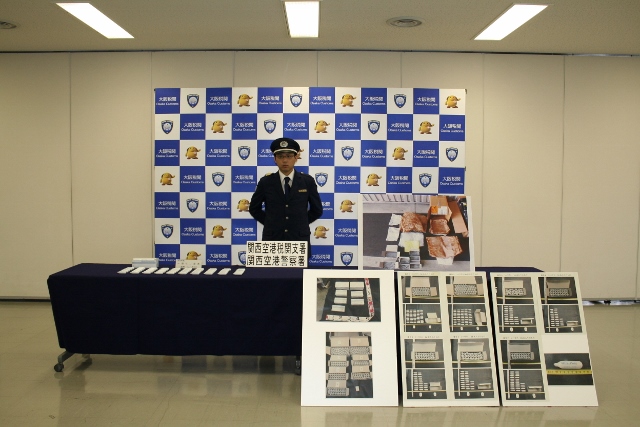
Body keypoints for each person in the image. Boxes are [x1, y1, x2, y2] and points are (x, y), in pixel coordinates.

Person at [249, 137, 323, 252]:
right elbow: (254, 208)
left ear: (296, 158)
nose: (284, 160)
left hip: (299, 240)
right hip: (273, 239)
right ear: (275, 159)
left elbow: (317, 210)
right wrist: (271, 223)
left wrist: (299, 222)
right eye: (280, 156)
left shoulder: (307, 181)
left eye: (289, 156)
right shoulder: (266, 182)